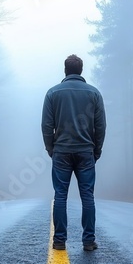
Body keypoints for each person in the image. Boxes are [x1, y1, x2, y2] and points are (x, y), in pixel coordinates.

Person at [41, 54, 106, 251]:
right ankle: (88, 241)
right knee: (87, 196)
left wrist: (51, 148)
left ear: (65, 70)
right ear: (81, 70)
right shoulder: (94, 94)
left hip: (61, 152)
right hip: (86, 152)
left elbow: (46, 125)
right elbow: (100, 126)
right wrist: (96, 150)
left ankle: (59, 240)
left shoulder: (52, 93)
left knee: (60, 195)